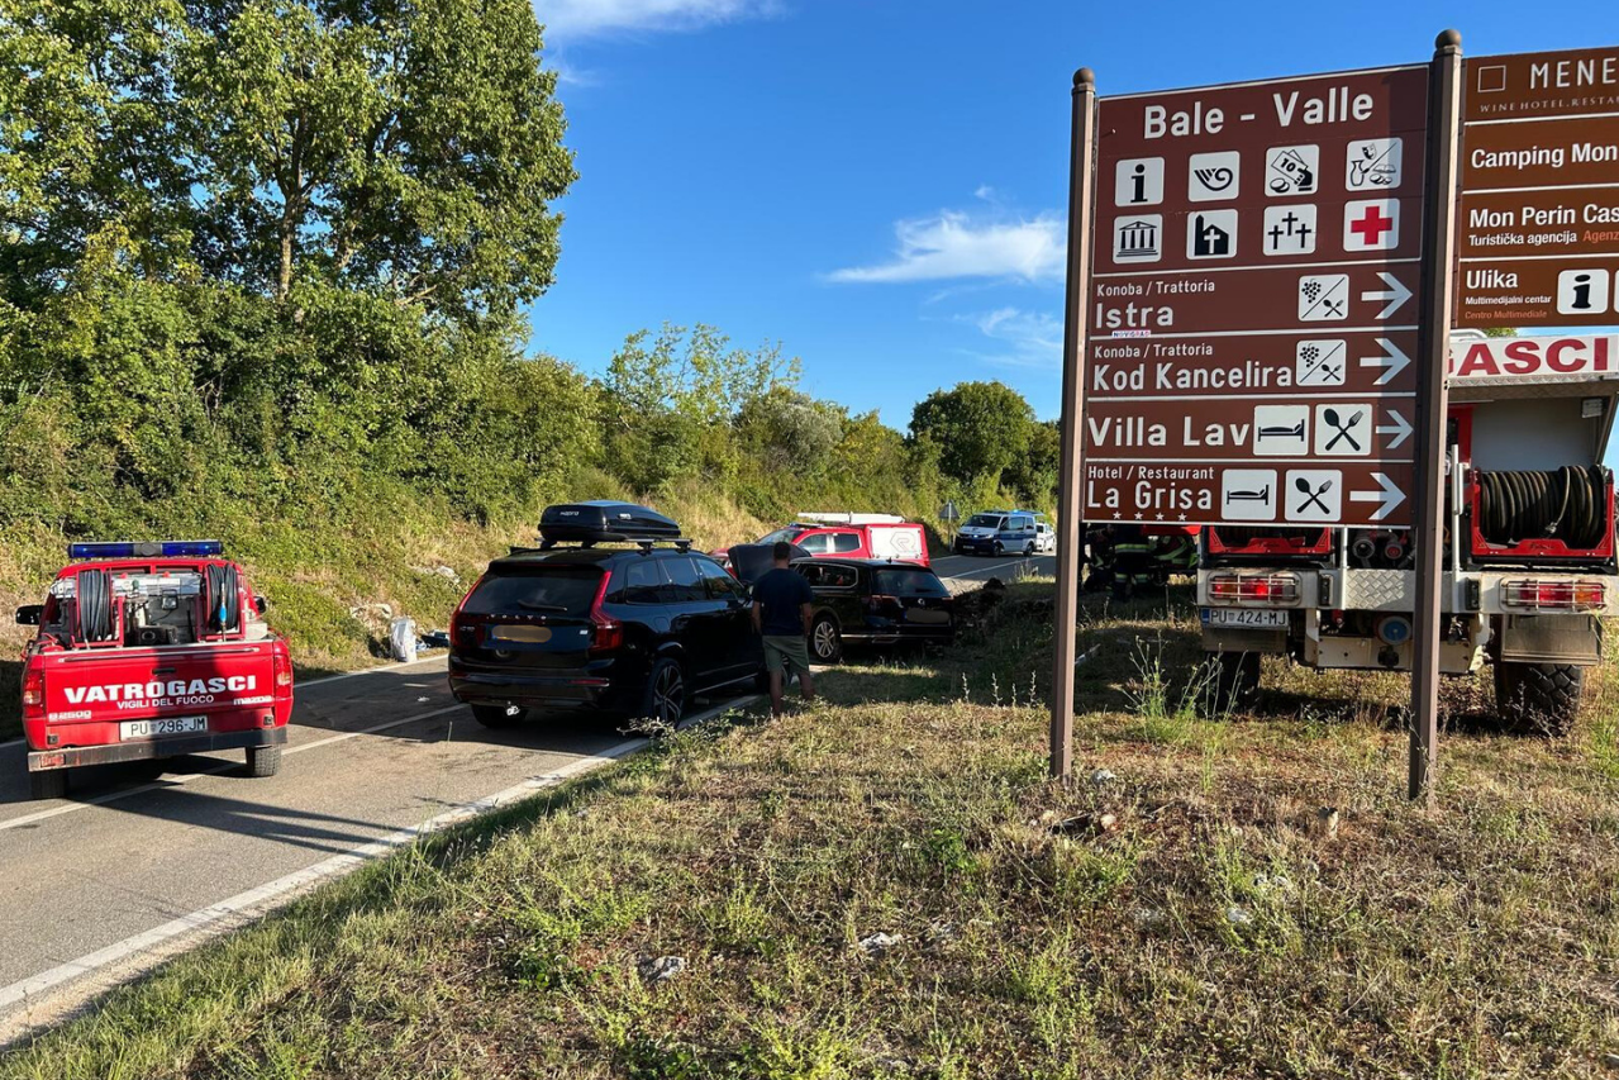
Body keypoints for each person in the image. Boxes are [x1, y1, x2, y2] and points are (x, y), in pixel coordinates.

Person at [750, 541, 816, 717]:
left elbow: (755, 613)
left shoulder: (763, 581)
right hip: (794, 633)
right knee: (803, 673)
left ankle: (777, 714)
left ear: (773, 557)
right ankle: (811, 712)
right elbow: (808, 613)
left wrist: (761, 631)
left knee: (775, 675)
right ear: (789, 556)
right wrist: (806, 632)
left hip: (771, 634)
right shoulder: (799, 581)